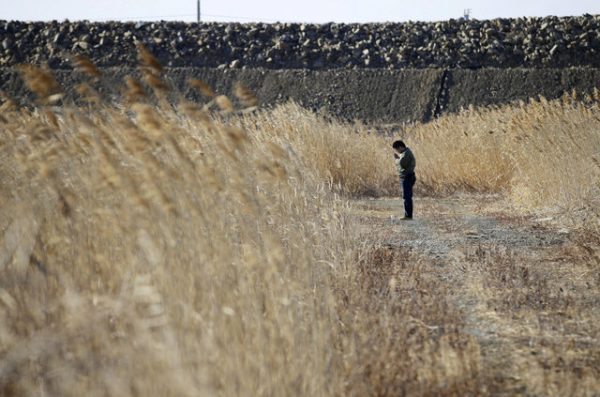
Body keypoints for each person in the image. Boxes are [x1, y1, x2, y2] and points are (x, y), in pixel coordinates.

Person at [392, 140, 416, 220]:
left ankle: (408, 216)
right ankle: (408, 215)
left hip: (407, 177)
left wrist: (396, 159)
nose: (397, 151)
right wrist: (399, 158)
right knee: (406, 196)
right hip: (407, 177)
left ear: (400, 147)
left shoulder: (406, 153)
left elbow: (402, 164)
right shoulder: (404, 153)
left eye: (397, 149)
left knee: (407, 197)